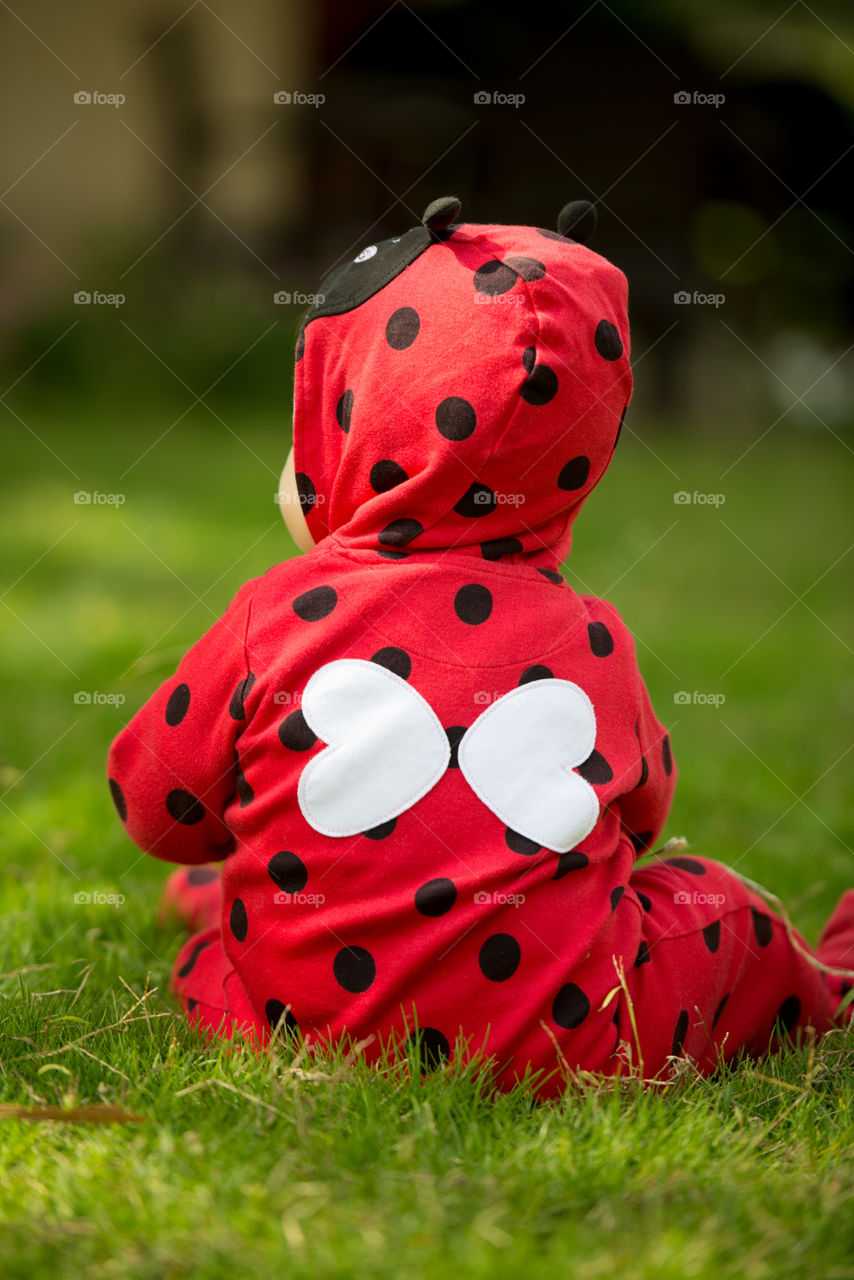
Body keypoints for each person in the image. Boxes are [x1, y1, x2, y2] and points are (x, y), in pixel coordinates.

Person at [107, 197, 854, 1095]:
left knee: (230, 945)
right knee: (715, 909)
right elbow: (643, 823)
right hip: (571, 1042)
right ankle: (831, 985)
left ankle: (231, 906)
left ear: (348, 429)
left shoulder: (274, 616)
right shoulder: (589, 637)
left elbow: (153, 808)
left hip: (304, 1028)